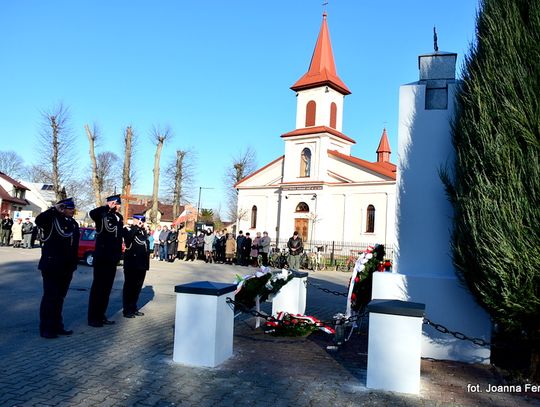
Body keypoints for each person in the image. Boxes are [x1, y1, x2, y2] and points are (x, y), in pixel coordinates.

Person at [35, 198, 80, 338]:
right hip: (52, 266)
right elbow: (39, 220)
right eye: (70, 208)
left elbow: (74, 246)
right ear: (63, 208)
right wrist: (54, 208)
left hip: (67, 267)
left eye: (73, 209)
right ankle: (46, 328)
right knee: (50, 297)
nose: (72, 211)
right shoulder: (52, 220)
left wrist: (73, 264)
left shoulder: (73, 223)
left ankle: (57, 325)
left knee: (60, 298)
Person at [88, 194, 124, 327]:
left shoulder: (119, 217)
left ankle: (101, 315)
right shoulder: (102, 214)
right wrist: (107, 206)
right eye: (118, 204)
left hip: (112, 258)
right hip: (102, 256)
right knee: (98, 288)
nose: (119, 206)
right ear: (113, 203)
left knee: (107, 289)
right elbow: (92, 213)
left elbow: (118, 237)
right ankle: (93, 317)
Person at [122, 214, 150, 318]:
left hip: (141, 265)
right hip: (132, 264)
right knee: (129, 287)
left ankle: (133, 307)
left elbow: (145, 247)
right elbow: (128, 239)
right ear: (133, 220)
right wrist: (136, 227)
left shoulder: (143, 232)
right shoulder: (128, 229)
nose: (141, 222)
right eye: (138, 220)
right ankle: (127, 310)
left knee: (137, 288)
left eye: (142, 221)